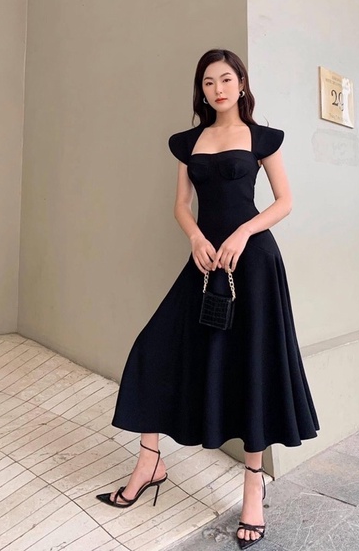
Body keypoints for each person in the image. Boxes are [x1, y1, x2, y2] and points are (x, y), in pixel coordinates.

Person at [96, 48, 320, 550]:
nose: (217, 89)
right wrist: (196, 237)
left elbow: (284, 201)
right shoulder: (189, 142)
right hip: (204, 262)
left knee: (251, 366)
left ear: (241, 84)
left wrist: (243, 233)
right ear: (201, 90)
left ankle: (253, 486)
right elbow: (181, 205)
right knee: (153, 349)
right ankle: (150, 463)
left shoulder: (261, 137)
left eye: (225, 79)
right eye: (208, 82)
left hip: (253, 264)